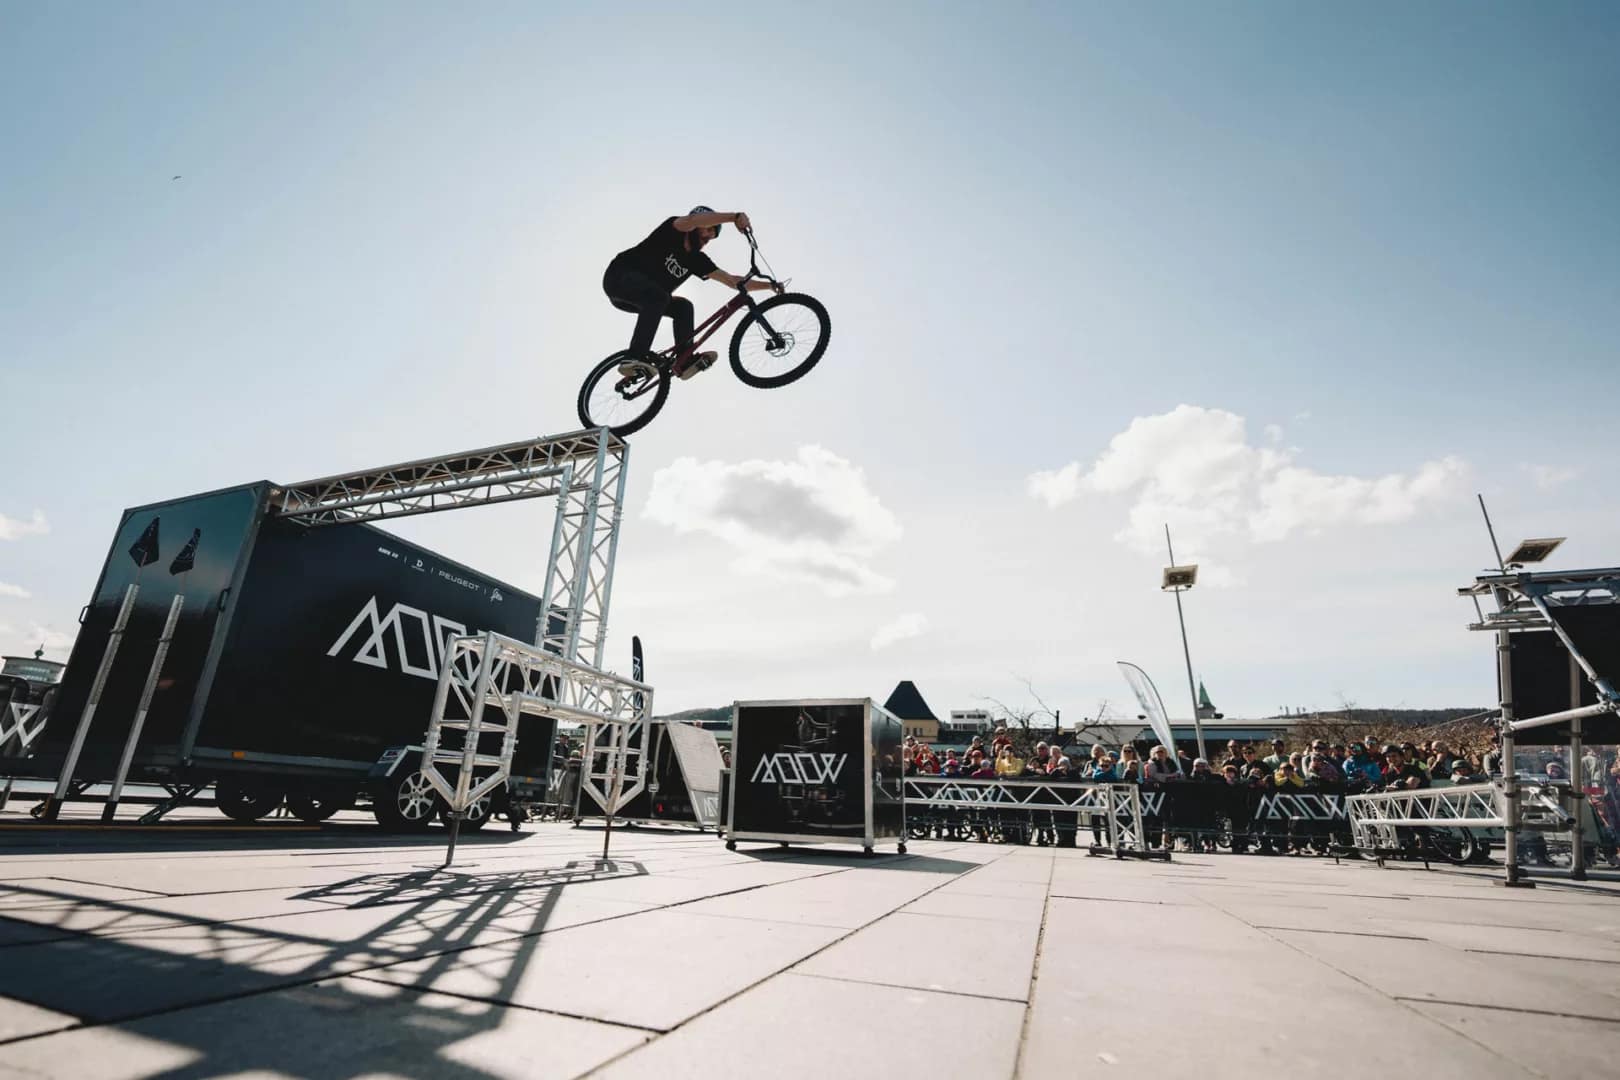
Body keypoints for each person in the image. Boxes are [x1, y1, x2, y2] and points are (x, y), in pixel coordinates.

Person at [603, 207, 780, 379]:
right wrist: (734, 217)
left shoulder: (697, 260)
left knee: (683, 307)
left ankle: (684, 359)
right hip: (619, 277)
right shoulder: (675, 228)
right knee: (659, 297)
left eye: (712, 236)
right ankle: (634, 356)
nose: (708, 237)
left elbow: (732, 281)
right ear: (698, 224)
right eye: (709, 229)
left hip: (640, 299)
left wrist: (769, 286)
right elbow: (694, 220)